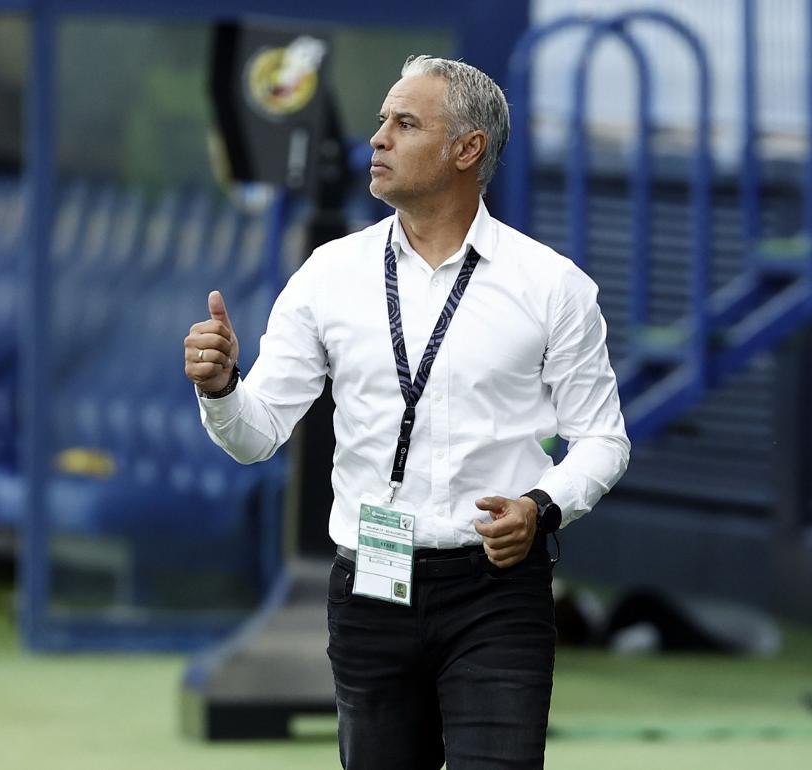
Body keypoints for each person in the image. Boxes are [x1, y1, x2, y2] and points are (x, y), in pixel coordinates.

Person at [184, 56, 630, 769]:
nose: (377, 139)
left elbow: (603, 441)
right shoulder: (329, 275)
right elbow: (256, 434)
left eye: (404, 123)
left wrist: (541, 508)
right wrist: (221, 390)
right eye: (381, 121)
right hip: (370, 584)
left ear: (467, 149)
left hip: (496, 589)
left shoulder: (552, 287)